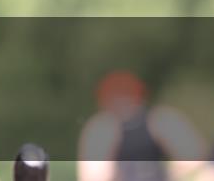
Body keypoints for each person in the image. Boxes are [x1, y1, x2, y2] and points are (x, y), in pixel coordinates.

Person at [78, 70, 207, 181]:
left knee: (211, 175)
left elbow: (193, 158)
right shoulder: (101, 128)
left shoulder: (159, 120)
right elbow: (94, 175)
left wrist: (171, 174)